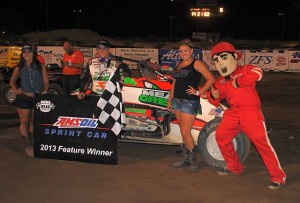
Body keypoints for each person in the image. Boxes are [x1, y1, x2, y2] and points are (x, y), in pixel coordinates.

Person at [205, 42, 286, 189]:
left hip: (251, 112)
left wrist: (239, 81)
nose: (220, 62)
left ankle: (278, 176)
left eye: (223, 57)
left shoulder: (245, 69)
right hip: (233, 113)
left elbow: (258, 73)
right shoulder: (221, 81)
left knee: (262, 145)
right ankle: (234, 167)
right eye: (216, 60)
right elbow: (213, 98)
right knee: (221, 137)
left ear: (235, 57)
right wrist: (213, 94)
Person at [167, 39, 215, 172]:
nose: (183, 53)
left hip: (189, 102)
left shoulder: (197, 63)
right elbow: (175, 83)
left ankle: (193, 158)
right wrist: (170, 99)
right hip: (177, 101)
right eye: (181, 51)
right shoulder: (179, 64)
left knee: (185, 132)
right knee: (183, 133)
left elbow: (211, 79)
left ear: (192, 51)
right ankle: (185, 159)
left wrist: (198, 92)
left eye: (185, 51)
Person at [10, 45, 49, 157]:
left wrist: (45, 91)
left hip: (37, 98)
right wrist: (15, 90)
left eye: (29, 52)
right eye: (24, 53)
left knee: (33, 123)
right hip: (24, 98)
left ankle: (34, 144)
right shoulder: (19, 67)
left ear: (33, 53)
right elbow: (12, 81)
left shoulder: (41, 66)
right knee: (25, 122)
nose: (26, 54)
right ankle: (28, 146)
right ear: (22, 55)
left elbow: (46, 82)